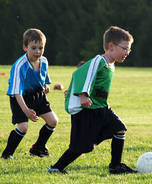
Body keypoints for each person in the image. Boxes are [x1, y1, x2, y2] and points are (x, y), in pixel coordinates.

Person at [48, 26, 136, 174]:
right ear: (111, 46)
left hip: (102, 108)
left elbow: (86, 79)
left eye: (129, 50)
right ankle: (56, 168)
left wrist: (72, 89)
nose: (127, 53)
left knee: (119, 129)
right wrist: (82, 95)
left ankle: (115, 166)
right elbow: (80, 73)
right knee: (80, 147)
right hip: (88, 111)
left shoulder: (111, 64)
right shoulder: (99, 61)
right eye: (125, 49)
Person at [1, 28, 58, 159]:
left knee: (53, 121)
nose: (38, 51)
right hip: (20, 98)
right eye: (33, 48)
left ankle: (38, 149)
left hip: (38, 95)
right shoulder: (19, 65)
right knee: (23, 127)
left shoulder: (44, 61)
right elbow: (16, 92)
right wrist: (26, 110)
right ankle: (7, 154)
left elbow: (43, 77)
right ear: (25, 47)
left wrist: (45, 85)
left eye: (41, 48)